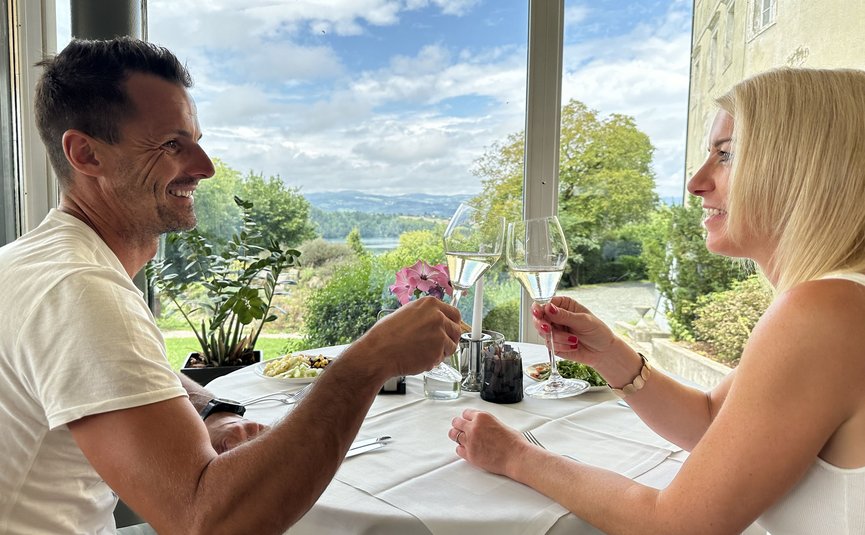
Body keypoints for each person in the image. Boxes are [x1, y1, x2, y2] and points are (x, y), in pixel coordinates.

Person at [0, 37, 462, 533]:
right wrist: (368, 362)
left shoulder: (37, 258)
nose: (205, 167)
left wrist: (213, 411)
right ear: (86, 153)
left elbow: (130, 371)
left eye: (196, 139)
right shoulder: (80, 290)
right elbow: (208, 521)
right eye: (172, 145)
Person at [449, 68, 865, 534]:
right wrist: (607, 353)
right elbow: (711, 424)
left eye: (725, 155)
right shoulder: (841, 299)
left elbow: (675, 526)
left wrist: (517, 456)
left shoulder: (827, 312)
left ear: (805, 168)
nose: (696, 183)